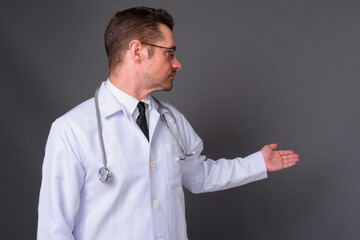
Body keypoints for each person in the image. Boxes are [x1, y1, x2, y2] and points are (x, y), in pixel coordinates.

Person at [37, 6, 299, 240]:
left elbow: (200, 176)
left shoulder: (171, 120)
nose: (177, 64)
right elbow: (53, 230)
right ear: (137, 51)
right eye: (169, 53)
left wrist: (258, 163)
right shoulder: (72, 130)